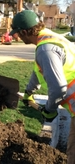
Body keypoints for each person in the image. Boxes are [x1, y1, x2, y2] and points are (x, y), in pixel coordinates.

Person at [9, 10, 75, 164]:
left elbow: (58, 88)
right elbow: (39, 70)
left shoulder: (46, 49)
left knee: (73, 153)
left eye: (18, 33)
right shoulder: (49, 38)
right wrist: (29, 92)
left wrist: (50, 110)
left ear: (25, 31)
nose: (16, 37)